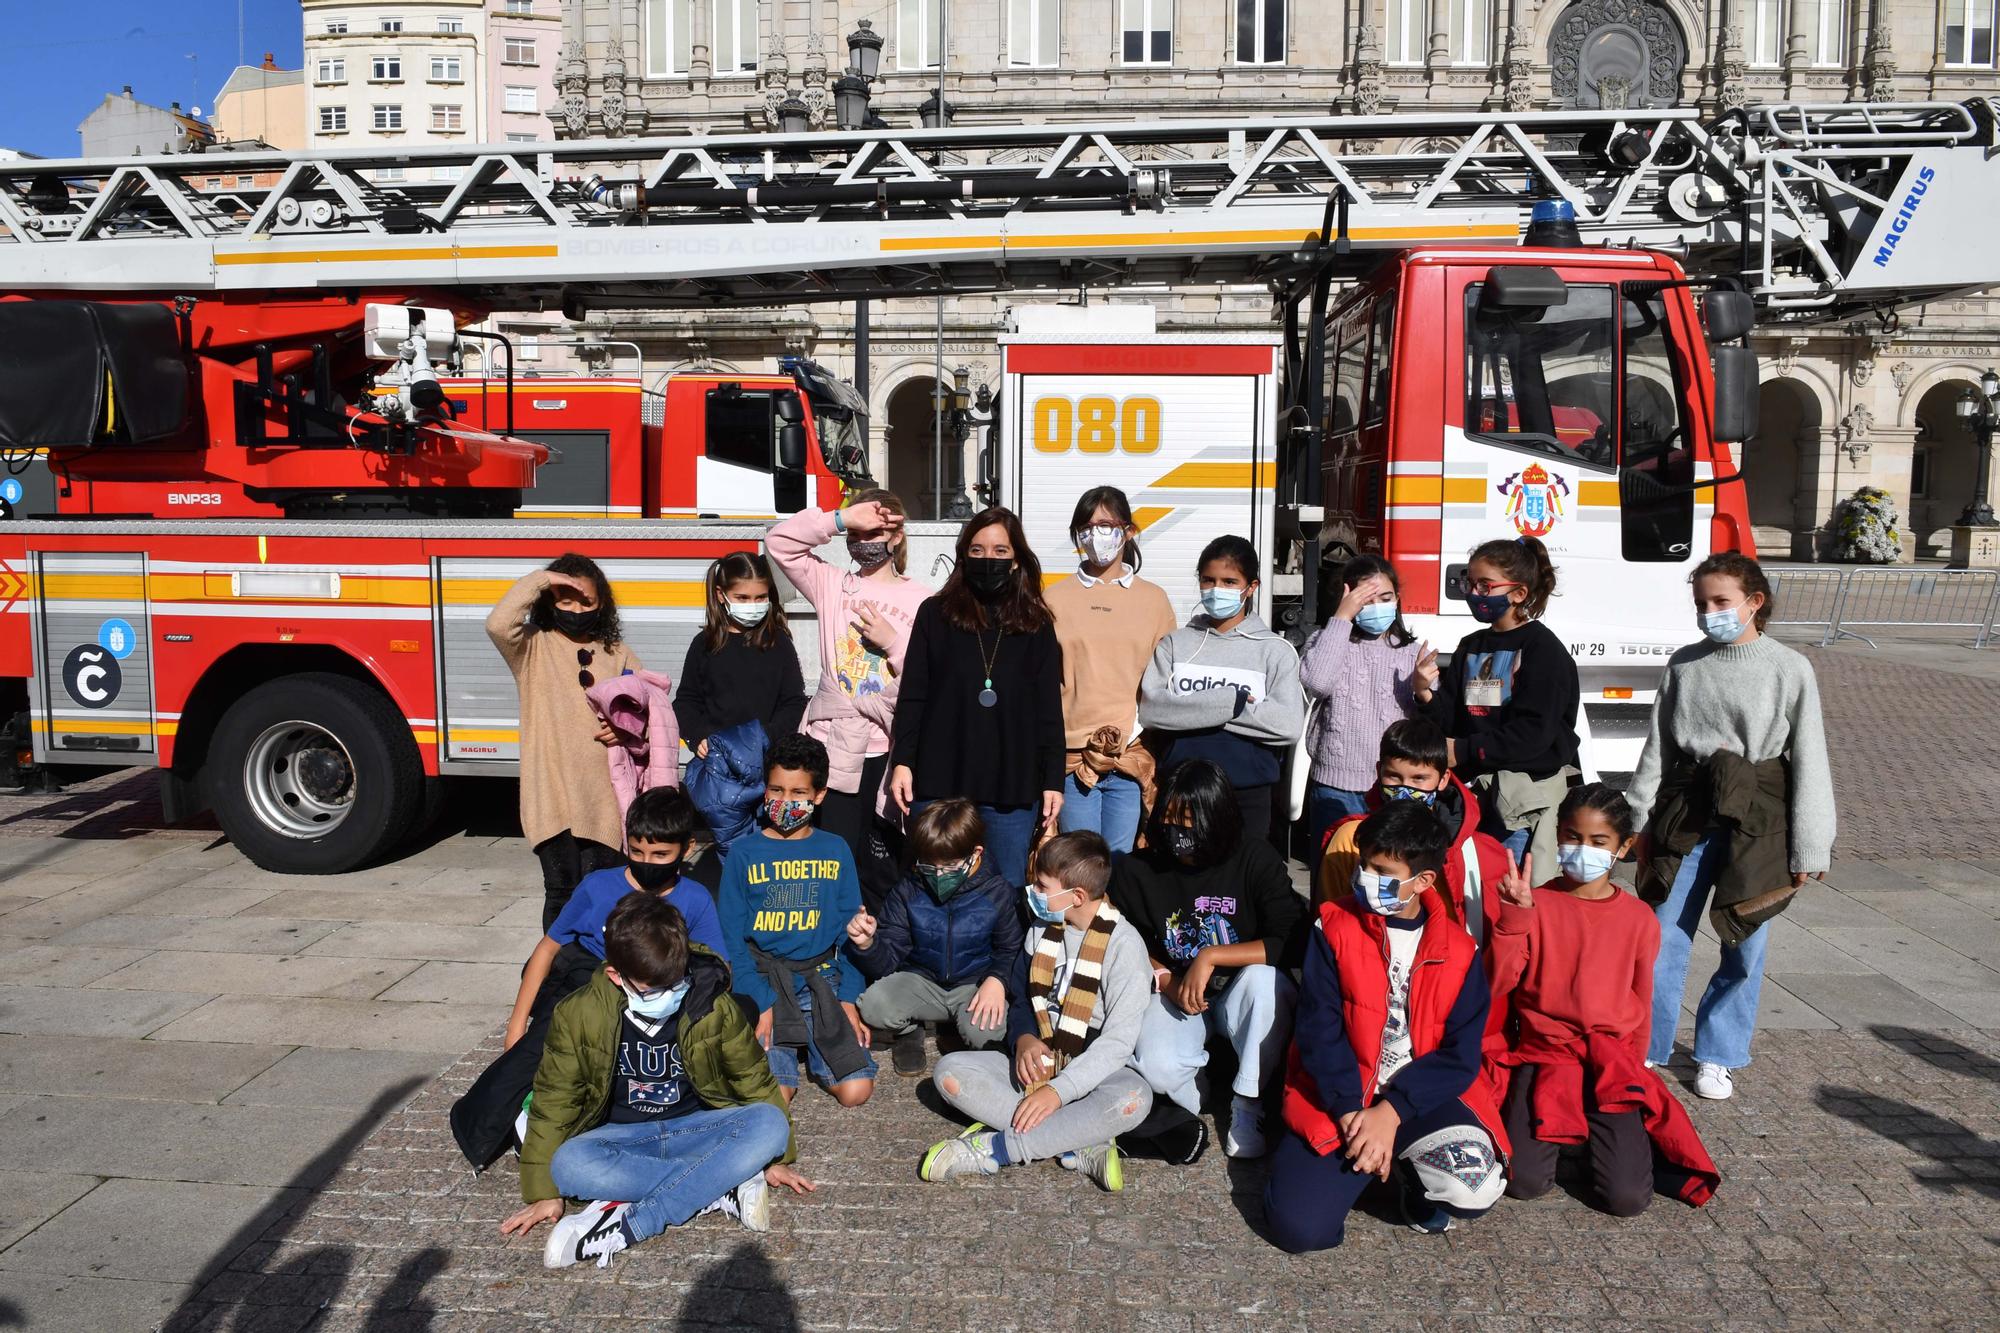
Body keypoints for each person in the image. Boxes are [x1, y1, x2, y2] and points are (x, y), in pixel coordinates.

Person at [500, 894, 813, 1270]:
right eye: (653, 988)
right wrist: (544, 1193)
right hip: (622, 1138)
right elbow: (555, 1101)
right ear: (616, 976)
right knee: (567, 1164)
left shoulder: (712, 1005)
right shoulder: (578, 1014)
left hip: (696, 1128)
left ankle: (636, 1221)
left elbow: (753, 1079)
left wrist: (776, 1159)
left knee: (770, 1123)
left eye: (675, 983)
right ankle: (721, 1182)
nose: (668, 995)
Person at [1624, 552, 1834, 1102]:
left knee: (1745, 937)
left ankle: (1719, 1054)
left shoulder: (1789, 668)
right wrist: (1637, 818)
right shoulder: (1685, 664)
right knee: (1662, 933)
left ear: (1753, 602)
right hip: (1687, 809)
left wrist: (1811, 843)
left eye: (1721, 602)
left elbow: (1809, 756)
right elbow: (1658, 749)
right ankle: (1650, 1042)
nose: (1709, 613)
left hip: (1760, 815)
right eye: (1701, 603)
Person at [1264, 803, 1507, 1252]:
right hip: (1343, 1095)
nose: (1365, 877)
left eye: (1381, 869)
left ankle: (1409, 1181)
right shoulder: (1332, 925)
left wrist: (1391, 1113)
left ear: (1424, 881)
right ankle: (1365, 1165)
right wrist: (1353, 1115)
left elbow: (1460, 1054)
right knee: (1297, 1230)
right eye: (1363, 863)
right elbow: (1320, 1031)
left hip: (1421, 1098)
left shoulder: (1460, 948)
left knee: (1474, 1189)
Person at [449, 788, 724, 1172]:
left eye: (660, 855)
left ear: (688, 847)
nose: (647, 863)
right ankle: (501, 1119)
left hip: (653, 990)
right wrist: (516, 1025)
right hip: (592, 979)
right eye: (637, 852)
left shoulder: (694, 899)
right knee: (547, 1043)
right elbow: (547, 949)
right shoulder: (598, 887)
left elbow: (717, 965)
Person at [1485, 785, 1720, 1213]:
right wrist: (1514, 920)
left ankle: (1612, 1140)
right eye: (1572, 837)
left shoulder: (1638, 919)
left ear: (1624, 846)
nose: (1582, 850)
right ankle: (1571, 1138)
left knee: (1626, 1199)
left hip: (1609, 1058)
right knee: (1524, 1182)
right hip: (1545, 1054)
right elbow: (1499, 982)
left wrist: (1636, 1067)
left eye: (1598, 842)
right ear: (1557, 835)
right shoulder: (1536, 903)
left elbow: (1641, 998)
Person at [919, 831, 1154, 1193]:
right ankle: (1081, 1138)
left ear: (1077, 896)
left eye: (1043, 887)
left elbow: (1119, 1042)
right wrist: (1024, 1039)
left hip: (1092, 1071)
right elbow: (1022, 998)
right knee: (949, 1073)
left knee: (1135, 1098)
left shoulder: (1125, 946)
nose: (1034, 892)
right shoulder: (1042, 930)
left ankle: (997, 1148)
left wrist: (1058, 1093)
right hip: (1038, 1062)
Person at [1113, 760, 1305, 1158]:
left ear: (1217, 818)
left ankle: (1249, 1101)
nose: (1178, 835)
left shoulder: (1255, 857)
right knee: (1157, 1064)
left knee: (1267, 985)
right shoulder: (1138, 870)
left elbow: (1291, 939)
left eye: (1189, 823)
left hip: (1240, 988)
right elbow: (1121, 935)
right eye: (1169, 821)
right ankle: (1198, 1086)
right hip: (1178, 992)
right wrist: (1164, 978)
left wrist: (1211, 955)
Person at [767, 490, 934, 914]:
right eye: (859, 530)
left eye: (876, 530)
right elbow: (779, 543)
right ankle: (830, 938)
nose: (865, 538)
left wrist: (893, 644)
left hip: (887, 746)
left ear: (897, 536)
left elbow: (929, 673)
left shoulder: (923, 600)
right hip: (833, 744)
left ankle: (876, 942)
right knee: (832, 853)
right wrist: (840, 518)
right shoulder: (832, 583)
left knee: (882, 858)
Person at [889, 507, 1064, 890]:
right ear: (963, 555)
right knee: (931, 885)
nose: (989, 560)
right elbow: (914, 695)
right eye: (978, 550)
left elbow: (1049, 710)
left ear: (1017, 561)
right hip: (940, 781)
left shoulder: (1036, 624)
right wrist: (902, 761)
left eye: (1001, 552)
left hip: (1011, 786)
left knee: (1004, 888)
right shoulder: (935, 614)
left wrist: (1053, 780)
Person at [718, 734, 877, 1108]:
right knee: (775, 1098)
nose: (785, 802)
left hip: (821, 981)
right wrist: (760, 1002)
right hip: (765, 984)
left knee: (856, 1093)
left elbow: (850, 932)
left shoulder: (835, 848)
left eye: (797, 792)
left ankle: (812, 1041)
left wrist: (848, 999)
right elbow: (732, 937)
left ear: (819, 795)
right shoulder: (743, 852)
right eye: (776, 789)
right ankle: (790, 1046)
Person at [486, 554, 639, 929]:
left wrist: (626, 728)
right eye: (565, 599)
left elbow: (647, 703)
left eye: (585, 601)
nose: (575, 608)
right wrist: (544, 578)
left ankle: (601, 973)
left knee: (605, 893)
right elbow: (497, 623)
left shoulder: (616, 651)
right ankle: (559, 974)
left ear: (602, 603)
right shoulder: (532, 647)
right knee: (561, 892)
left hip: (603, 798)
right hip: (551, 797)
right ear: (549, 600)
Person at [1415, 535, 1579, 869]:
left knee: (1507, 893)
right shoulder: (1471, 645)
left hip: (1519, 807)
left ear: (1519, 593)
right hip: (1474, 798)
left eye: (1485, 586)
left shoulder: (1543, 650)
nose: (1474, 594)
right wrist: (1424, 692)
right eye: (1470, 583)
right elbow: (1452, 720)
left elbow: (1533, 734)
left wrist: (1462, 751)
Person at [1138, 536, 1305, 844]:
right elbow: (1152, 709)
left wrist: (1192, 709)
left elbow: (1287, 725)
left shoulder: (1274, 650)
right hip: (1181, 792)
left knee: (1240, 885)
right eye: (1208, 580)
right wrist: (1232, 701)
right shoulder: (1176, 644)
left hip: (1248, 794)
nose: (1217, 589)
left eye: (1230, 581)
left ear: (1251, 587)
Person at [846, 798, 1026, 1077]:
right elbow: (887, 959)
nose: (939, 876)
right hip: (921, 980)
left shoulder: (998, 892)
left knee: (989, 1035)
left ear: (976, 853)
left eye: (951, 866)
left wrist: (998, 980)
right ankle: (909, 1031)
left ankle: (956, 1028)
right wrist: (869, 944)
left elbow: (1011, 948)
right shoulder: (909, 888)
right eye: (930, 866)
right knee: (873, 1007)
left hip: (973, 985)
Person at [1046, 486, 1179, 854]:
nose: (1094, 535)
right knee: (1079, 863)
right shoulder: (1053, 598)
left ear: (1128, 531)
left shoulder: (1153, 599)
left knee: (1120, 861)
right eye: (1085, 527)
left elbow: (1165, 680)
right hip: (1072, 759)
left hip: (1131, 756)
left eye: (1104, 525)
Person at [1316, 718, 1510, 947]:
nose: (1405, 790)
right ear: (1379, 772)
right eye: (1394, 777)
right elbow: (1331, 919)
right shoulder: (1350, 839)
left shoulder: (1475, 851)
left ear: (1443, 779)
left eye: (1419, 779)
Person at [1300, 555, 1419, 857]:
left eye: (1385, 597)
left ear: (1397, 599)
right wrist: (1341, 619)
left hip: (1395, 789)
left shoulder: (1412, 653)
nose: (1377, 606)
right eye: (1365, 599)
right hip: (1334, 784)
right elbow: (1317, 682)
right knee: (1332, 880)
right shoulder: (1327, 641)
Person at [675, 551, 809, 758]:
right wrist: (698, 736)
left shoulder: (778, 642)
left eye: (760, 597)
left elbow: (793, 702)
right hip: (716, 760)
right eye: (742, 598)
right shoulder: (703, 644)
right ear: (721, 595)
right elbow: (686, 701)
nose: (752, 605)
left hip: (765, 759)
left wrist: (766, 738)